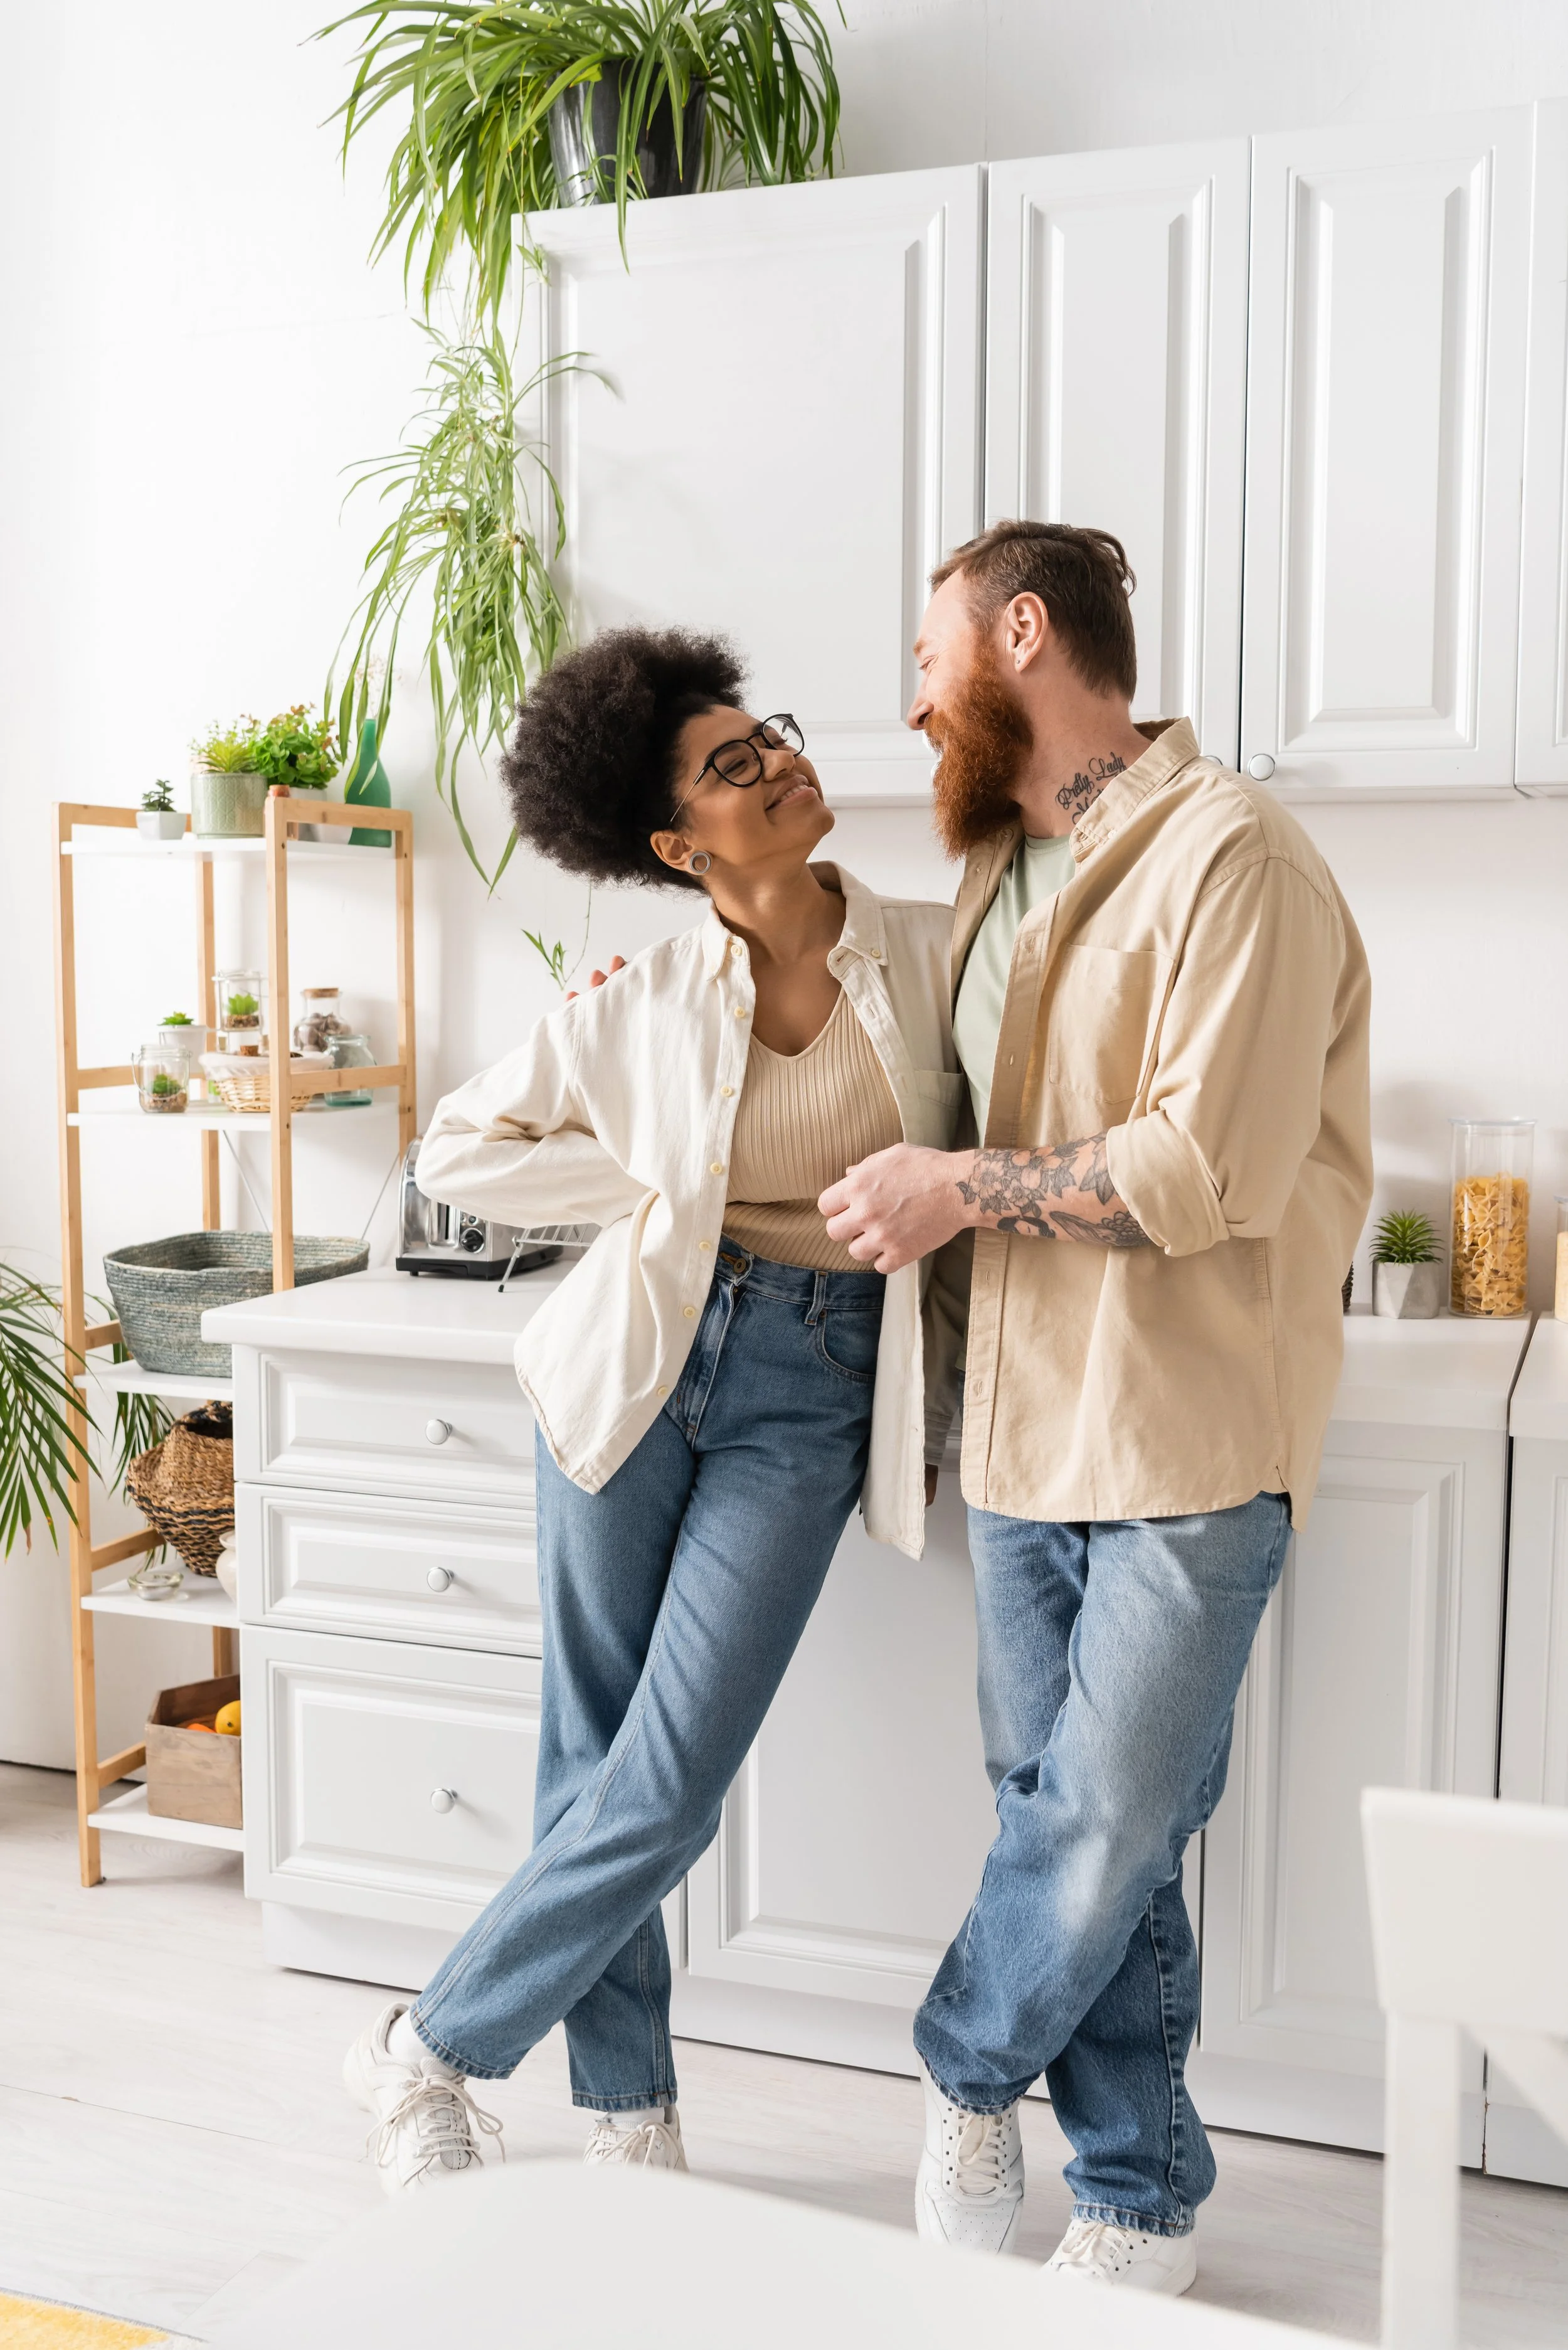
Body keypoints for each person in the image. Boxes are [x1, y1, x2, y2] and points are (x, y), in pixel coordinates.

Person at [821, 521, 1373, 2293]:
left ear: (1023, 636)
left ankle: (962, 2069)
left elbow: (1194, 1171)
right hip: (1015, 1425)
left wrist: (958, 1186)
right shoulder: (1002, 865)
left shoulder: (1238, 862)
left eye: (931, 659)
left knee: (1109, 1816)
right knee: (1060, 1815)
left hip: (1185, 1431)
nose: (914, 701)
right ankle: (1134, 2191)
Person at [341, 626, 965, 2192]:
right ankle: (629, 2116)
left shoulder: (933, 949)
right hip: (631, 1366)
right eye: (731, 764)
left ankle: (430, 2040)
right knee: (592, 1753)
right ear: (678, 844)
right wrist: (642, 1178)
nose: (780, 763)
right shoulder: (639, 998)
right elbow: (459, 1152)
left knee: (668, 1770)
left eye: (773, 735)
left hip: (813, 1388)